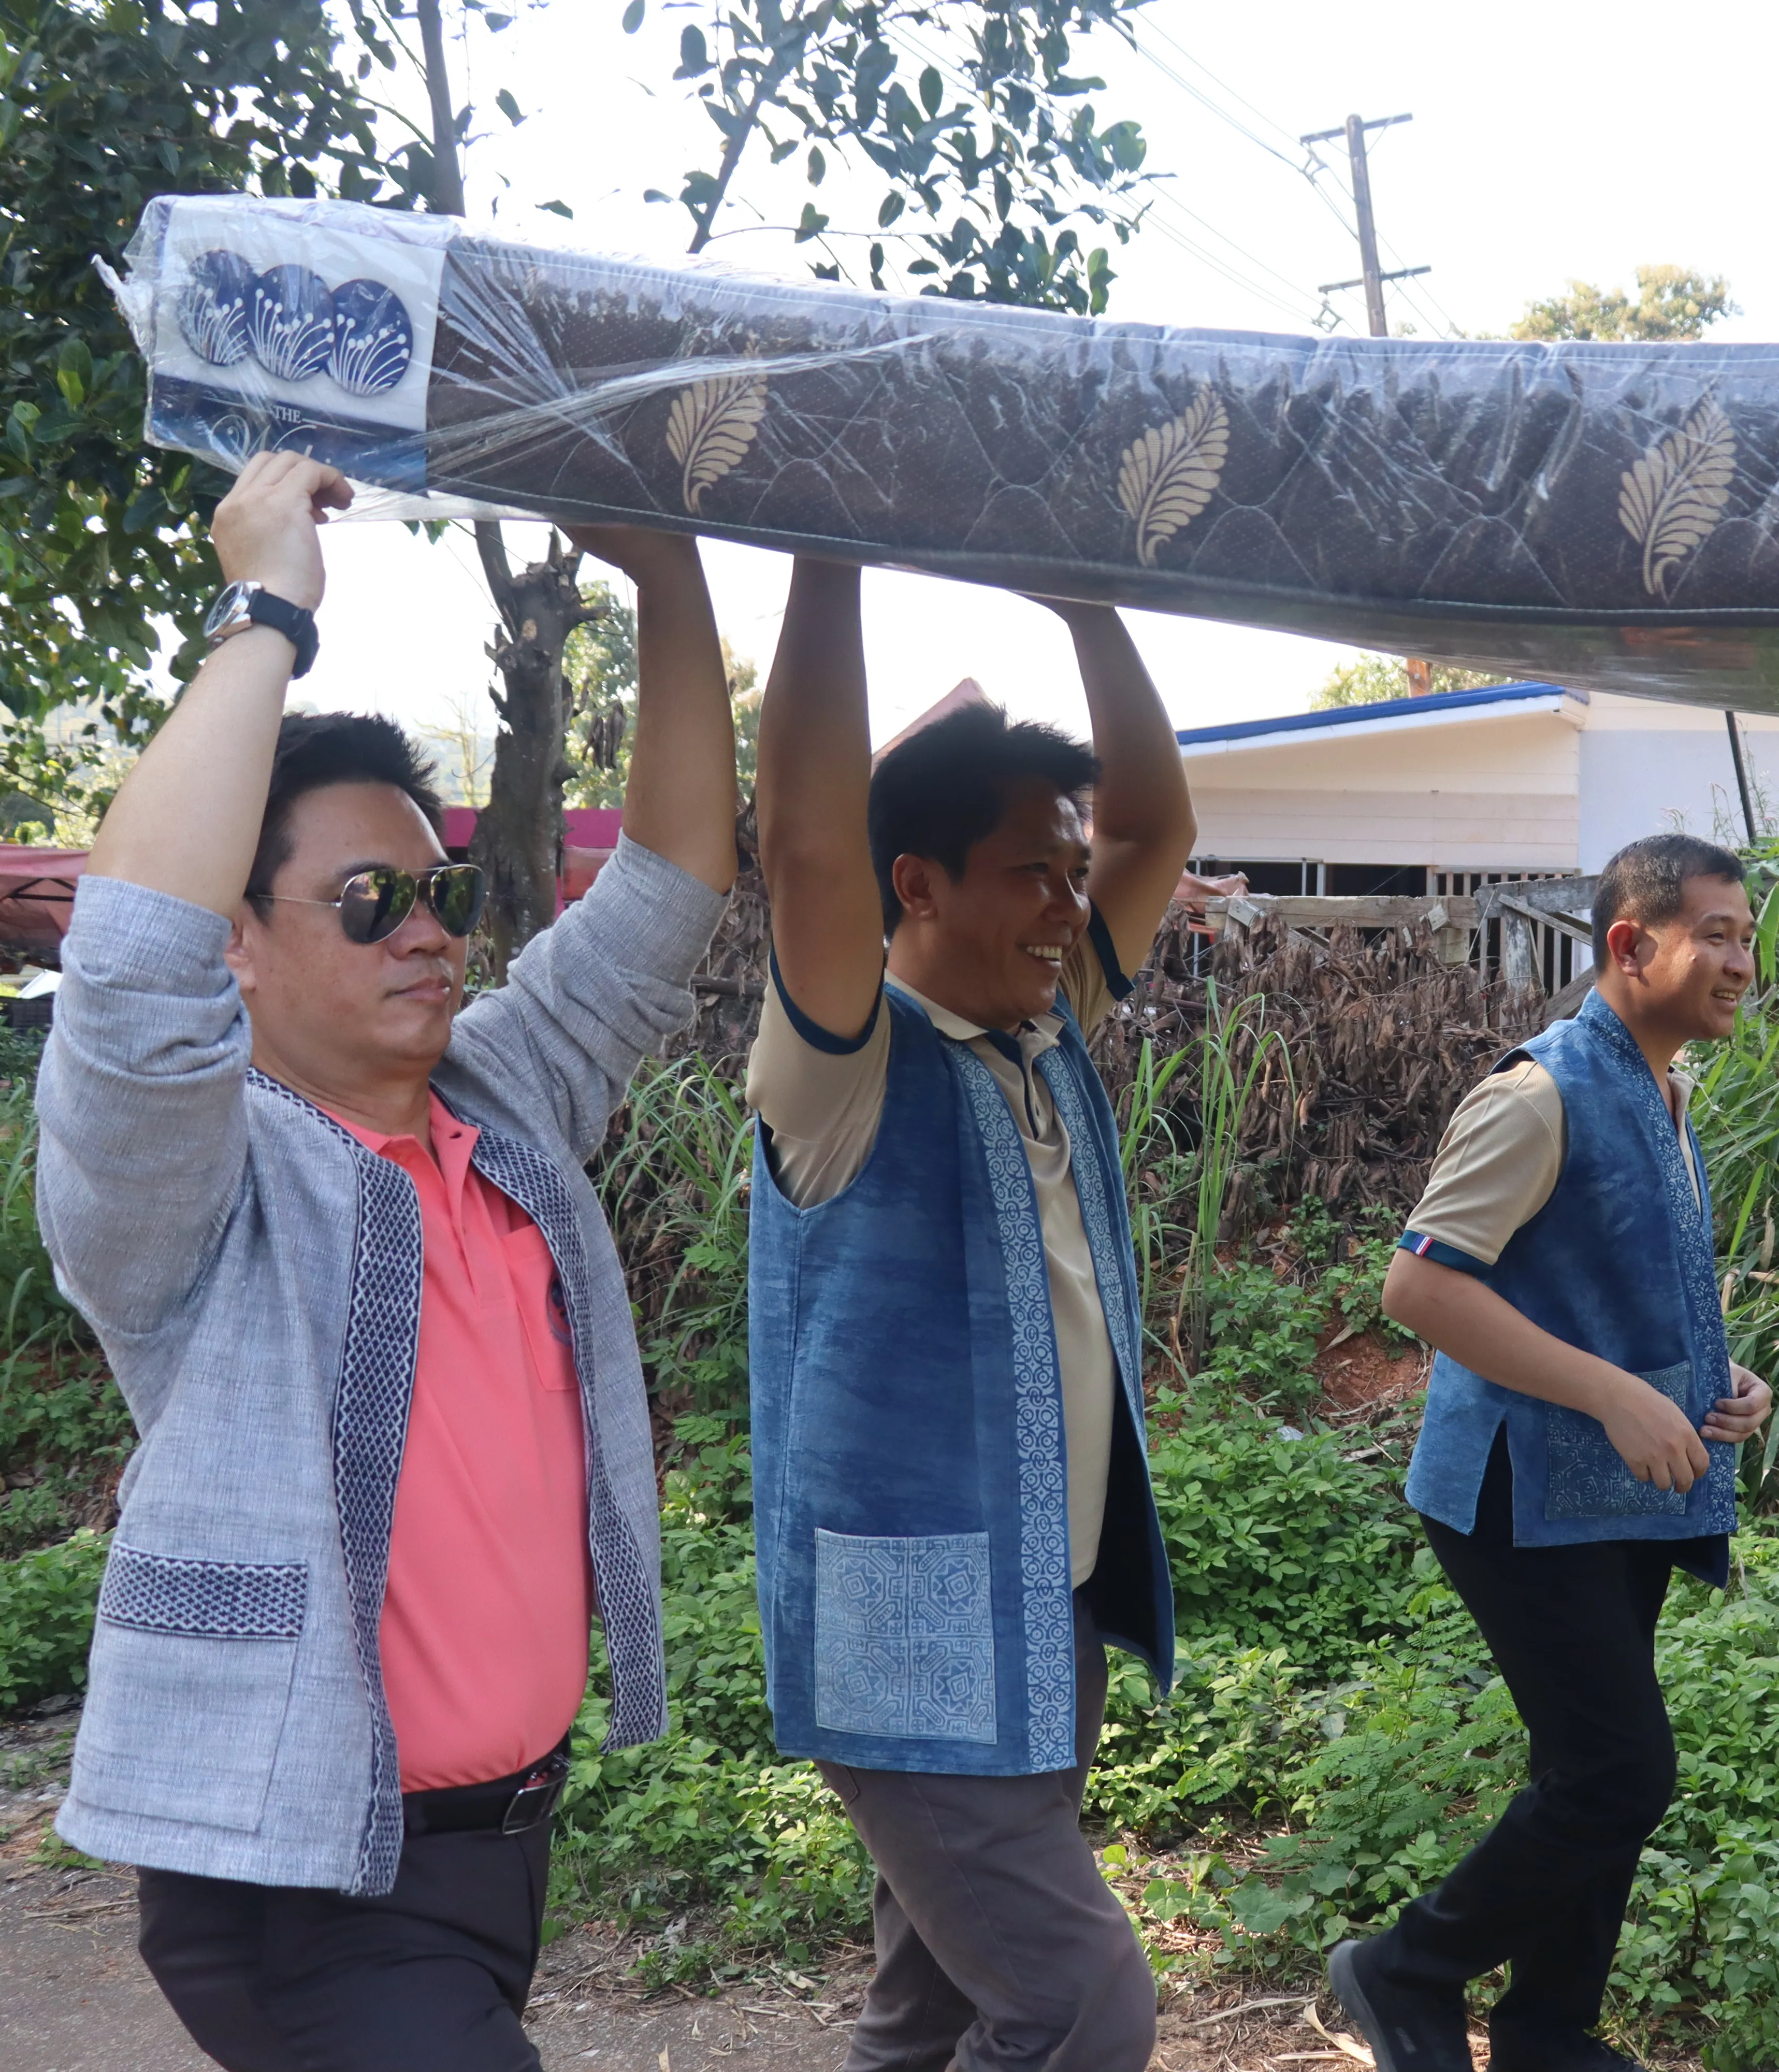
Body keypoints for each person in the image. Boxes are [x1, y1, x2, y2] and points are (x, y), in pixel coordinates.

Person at [35, 451, 743, 2069]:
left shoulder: (502, 1100)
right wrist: (265, 609)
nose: (426, 929)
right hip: (308, 1884)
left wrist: (671, 575)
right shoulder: (194, 1189)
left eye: (438, 890)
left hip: (499, 1854)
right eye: (368, 900)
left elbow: (674, 887)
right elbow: (130, 969)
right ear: (238, 938)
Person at [742, 560, 1196, 2072]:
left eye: (1072, 872)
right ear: (919, 884)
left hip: (1040, 1607)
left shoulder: (1044, 1026)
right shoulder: (844, 1065)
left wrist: (1087, 606)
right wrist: (825, 555)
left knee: (935, 2002)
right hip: (913, 1632)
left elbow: (1156, 827)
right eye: (1032, 872)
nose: (1071, 903)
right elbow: (808, 847)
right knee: (1078, 2004)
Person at [1333, 832, 1779, 2072]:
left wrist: (1717, 1383)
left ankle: (1546, 2030)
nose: (1744, 962)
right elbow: (1421, 1287)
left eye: (1748, 936)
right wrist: (1615, 1397)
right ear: (1630, 945)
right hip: (1513, 1493)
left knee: (1589, 1762)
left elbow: (1601, 1285)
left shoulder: (1666, 1088)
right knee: (1620, 1770)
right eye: (1718, 936)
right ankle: (1404, 1967)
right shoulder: (1539, 1093)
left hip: (1612, 1495)